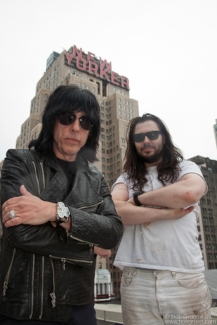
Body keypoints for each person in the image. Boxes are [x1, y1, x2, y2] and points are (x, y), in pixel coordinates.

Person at [0, 85, 123, 325]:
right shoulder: (19, 161)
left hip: (81, 307)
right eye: (67, 117)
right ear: (52, 120)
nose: (76, 127)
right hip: (26, 308)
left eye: (85, 121)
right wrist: (90, 247)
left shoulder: (95, 178)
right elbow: (21, 232)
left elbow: (112, 234)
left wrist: (54, 212)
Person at [111, 113, 212, 325]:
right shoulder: (125, 178)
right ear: (133, 143)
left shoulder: (186, 168)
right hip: (136, 281)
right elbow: (114, 212)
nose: (146, 140)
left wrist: (137, 200)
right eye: (139, 137)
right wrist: (167, 212)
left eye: (152, 134)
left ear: (163, 138)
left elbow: (188, 194)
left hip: (184, 279)